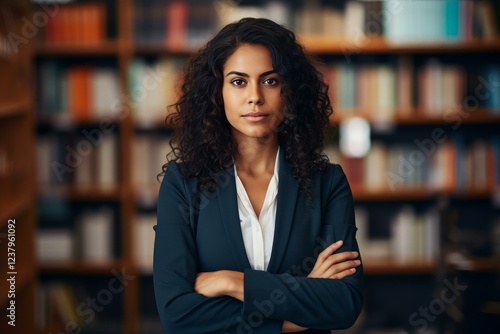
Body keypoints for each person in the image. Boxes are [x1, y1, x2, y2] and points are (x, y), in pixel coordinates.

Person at [154, 17, 363, 333]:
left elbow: (344, 304)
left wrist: (231, 282)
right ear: (217, 91)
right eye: (238, 81)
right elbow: (176, 315)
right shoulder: (183, 182)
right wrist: (296, 314)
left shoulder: (327, 182)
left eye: (270, 81)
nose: (255, 97)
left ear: (290, 91)